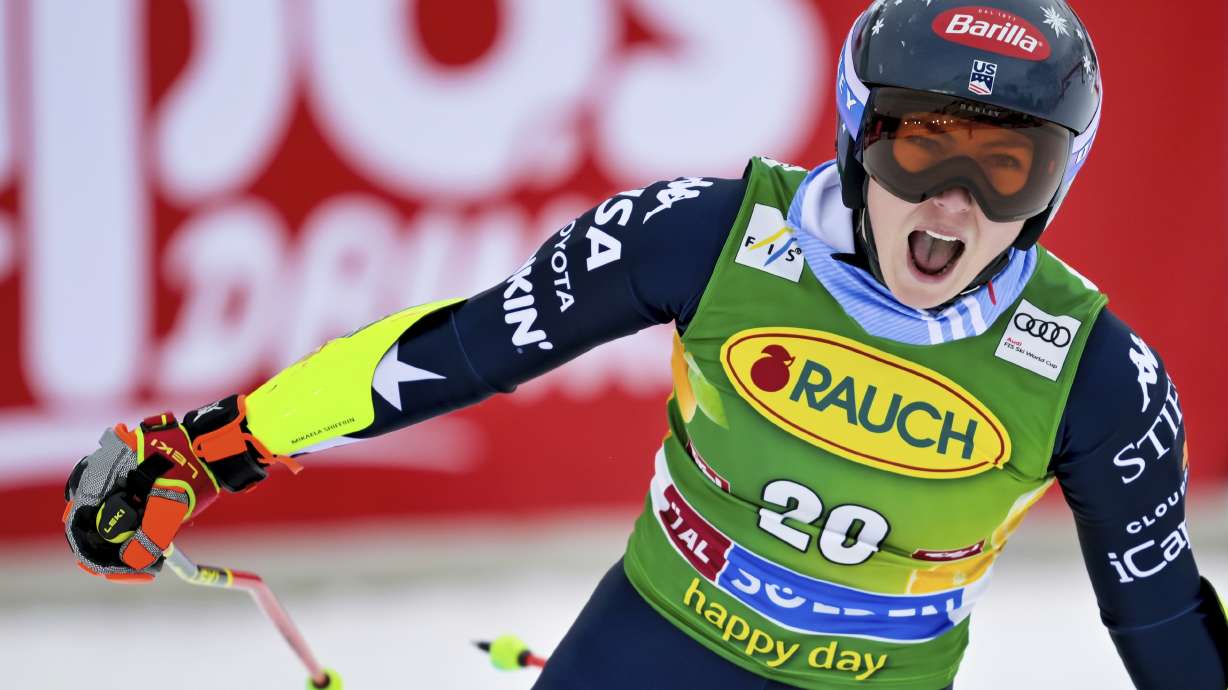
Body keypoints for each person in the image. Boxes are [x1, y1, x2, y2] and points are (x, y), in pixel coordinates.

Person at [63, 1, 1228, 688]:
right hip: (655, 644)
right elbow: (470, 347)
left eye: (1004, 166)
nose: (954, 206)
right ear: (857, 134)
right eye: (925, 150)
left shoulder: (1094, 376)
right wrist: (210, 448)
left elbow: (1162, 618)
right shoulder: (702, 237)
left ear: (1055, 184)